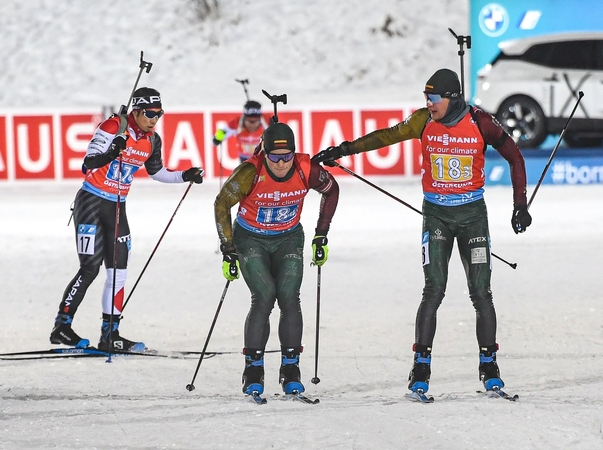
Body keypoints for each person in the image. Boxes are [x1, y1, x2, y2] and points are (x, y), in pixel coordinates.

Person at [312, 68, 532, 395]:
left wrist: (520, 205)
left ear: (452, 98)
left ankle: (489, 365)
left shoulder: (480, 122)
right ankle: (420, 367)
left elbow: (515, 157)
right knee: (434, 290)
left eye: (433, 98)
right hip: (437, 216)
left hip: (472, 216)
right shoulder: (422, 121)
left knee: (481, 292)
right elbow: (385, 136)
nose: (428, 103)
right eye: (425, 97)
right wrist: (343, 150)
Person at [50, 87, 204, 352]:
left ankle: (110, 334)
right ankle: (62, 326)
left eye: (159, 113)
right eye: (150, 113)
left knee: (119, 270)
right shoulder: (113, 126)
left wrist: (185, 175)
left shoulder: (152, 140)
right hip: (92, 202)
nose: (155, 119)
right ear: (136, 110)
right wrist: (112, 152)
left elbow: (157, 172)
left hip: (117, 206)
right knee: (90, 267)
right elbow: (87, 165)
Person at [214, 121, 339, 397]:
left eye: (287, 156)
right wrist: (228, 248)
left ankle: (291, 369)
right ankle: (254, 370)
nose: (282, 163)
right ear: (264, 154)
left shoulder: (306, 169)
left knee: (289, 296)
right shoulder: (250, 172)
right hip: (251, 239)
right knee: (265, 295)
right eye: (274, 157)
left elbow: (332, 190)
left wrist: (321, 234)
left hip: (288, 238)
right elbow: (221, 202)